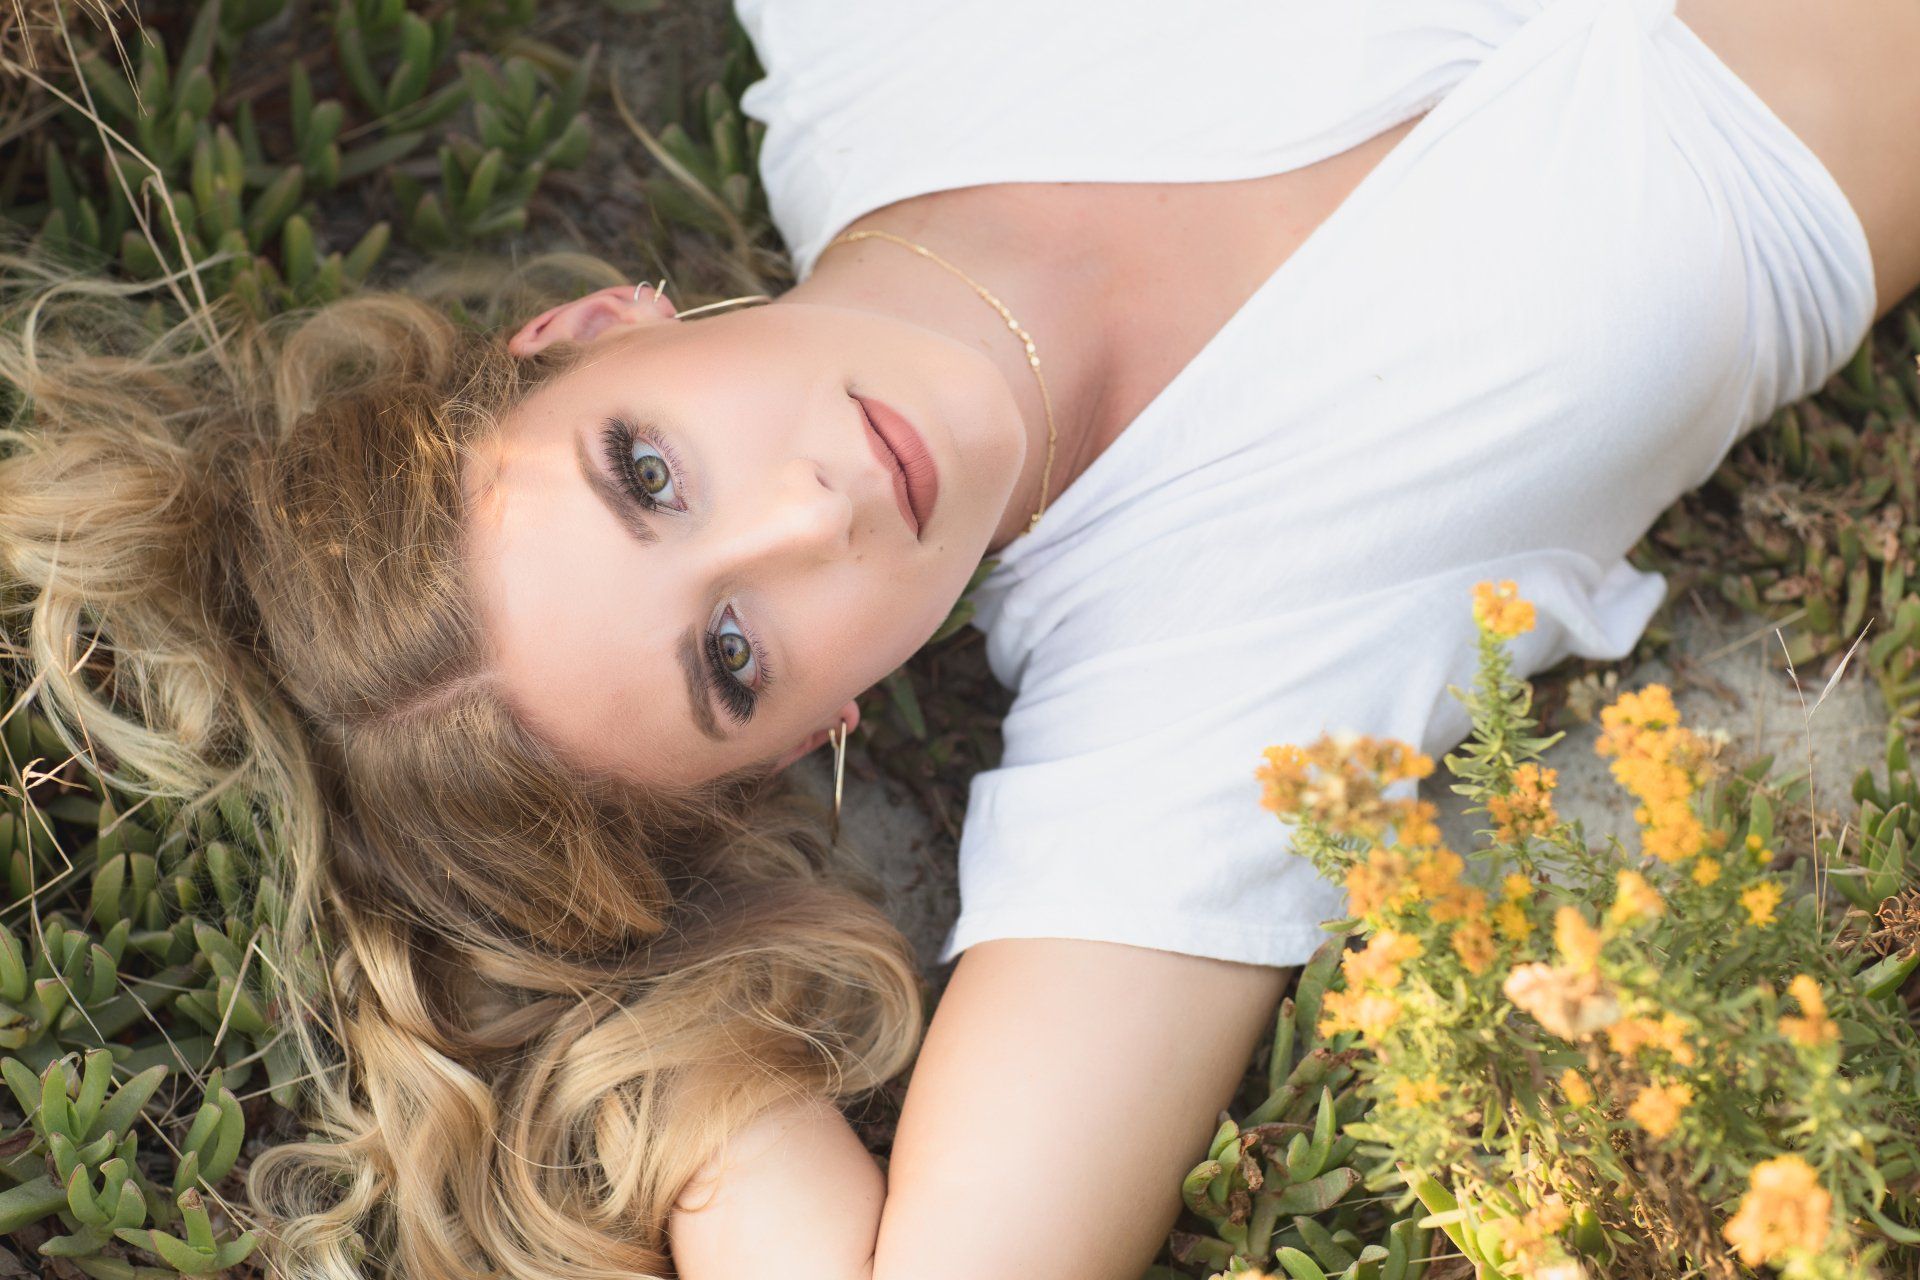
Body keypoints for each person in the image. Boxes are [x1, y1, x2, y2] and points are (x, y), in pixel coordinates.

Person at [1, 0, 1915, 1278]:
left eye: (647, 470)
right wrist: (648, 1029)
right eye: (731, 659)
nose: (811, 512)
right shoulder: (1197, 679)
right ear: (793, 744)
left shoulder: (885, 34)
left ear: (594, 327)